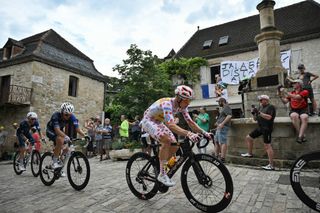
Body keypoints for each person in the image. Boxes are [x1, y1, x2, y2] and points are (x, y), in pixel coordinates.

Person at [140, 85, 212, 187]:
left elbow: (191, 123)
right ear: (178, 98)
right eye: (186, 101)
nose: (188, 103)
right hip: (148, 121)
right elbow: (171, 125)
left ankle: (160, 166)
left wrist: (204, 133)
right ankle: (162, 174)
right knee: (166, 140)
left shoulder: (182, 107)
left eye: (189, 101)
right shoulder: (167, 103)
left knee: (175, 145)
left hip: (158, 122)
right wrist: (189, 133)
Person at [46, 102, 89, 172]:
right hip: (51, 130)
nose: (68, 117)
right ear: (62, 112)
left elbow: (77, 129)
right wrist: (65, 136)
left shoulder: (72, 117)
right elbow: (57, 130)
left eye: (70, 115)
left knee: (67, 149)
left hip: (59, 131)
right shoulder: (56, 116)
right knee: (60, 139)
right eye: (66, 115)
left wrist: (85, 135)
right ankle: (54, 162)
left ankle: (59, 166)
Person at [241, 95, 276, 170]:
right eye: (259, 100)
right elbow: (255, 119)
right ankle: (250, 154)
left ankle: (271, 165)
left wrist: (259, 113)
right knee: (248, 138)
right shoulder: (261, 107)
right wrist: (254, 113)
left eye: (261, 100)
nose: (260, 101)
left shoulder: (271, 107)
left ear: (266, 100)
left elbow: (269, 117)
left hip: (267, 129)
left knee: (267, 146)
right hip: (260, 128)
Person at [278, 79, 309, 143]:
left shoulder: (305, 91)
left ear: (299, 84)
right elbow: (285, 102)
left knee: (304, 117)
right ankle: (301, 135)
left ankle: (300, 136)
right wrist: (280, 95)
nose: (293, 84)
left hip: (303, 109)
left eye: (294, 83)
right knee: (294, 116)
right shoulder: (292, 93)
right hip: (294, 110)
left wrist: (285, 92)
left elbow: (297, 97)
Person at [214, 97, 232, 163]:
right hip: (220, 127)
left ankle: (222, 158)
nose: (218, 103)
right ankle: (216, 157)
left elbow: (229, 116)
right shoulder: (223, 108)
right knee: (216, 141)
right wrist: (218, 122)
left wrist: (222, 124)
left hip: (223, 127)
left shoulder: (226, 107)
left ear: (222, 101)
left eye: (219, 102)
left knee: (222, 142)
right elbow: (224, 116)